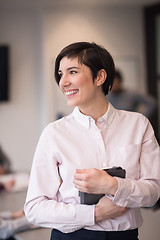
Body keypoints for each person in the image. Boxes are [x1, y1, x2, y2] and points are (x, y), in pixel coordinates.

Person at [24, 42, 160, 240]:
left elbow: (154, 191)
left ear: (99, 77)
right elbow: (34, 208)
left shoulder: (138, 125)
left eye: (72, 72)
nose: (63, 82)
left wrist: (112, 185)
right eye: (61, 74)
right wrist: (94, 214)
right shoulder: (54, 133)